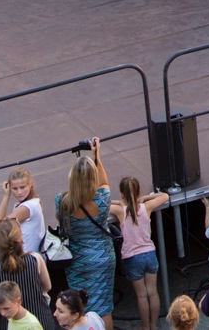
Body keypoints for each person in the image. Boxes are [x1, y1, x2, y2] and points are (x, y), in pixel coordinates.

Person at [56, 139, 115, 318]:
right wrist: (96, 155)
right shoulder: (102, 200)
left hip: (77, 261)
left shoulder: (62, 202)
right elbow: (104, 183)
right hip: (102, 257)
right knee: (104, 307)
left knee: (79, 307)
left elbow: (61, 220)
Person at [111, 177, 170, 330]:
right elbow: (165, 196)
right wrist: (144, 198)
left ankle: (145, 327)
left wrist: (119, 202)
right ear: (139, 191)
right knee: (153, 292)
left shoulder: (120, 211)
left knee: (141, 295)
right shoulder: (146, 207)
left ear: (121, 194)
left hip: (133, 258)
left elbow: (102, 205)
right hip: (149, 254)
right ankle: (154, 325)